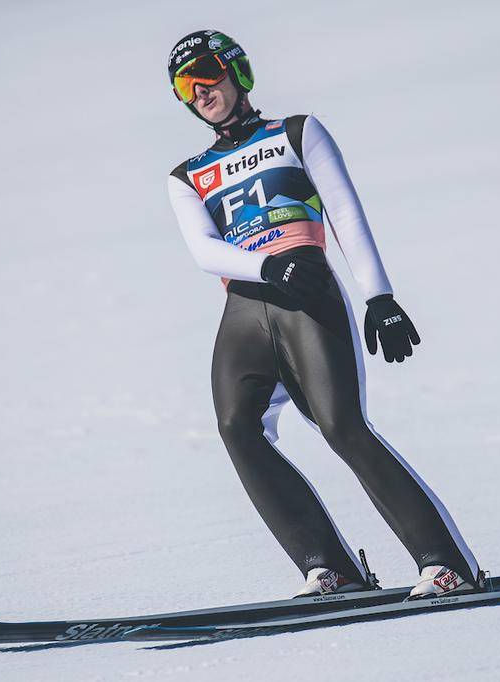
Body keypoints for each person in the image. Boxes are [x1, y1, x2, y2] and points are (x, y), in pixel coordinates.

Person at [166, 30, 480, 599]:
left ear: (238, 72)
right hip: (246, 306)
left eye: (207, 72)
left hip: (307, 292)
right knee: (238, 429)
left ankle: (445, 563)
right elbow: (203, 250)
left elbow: (344, 211)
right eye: (185, 85)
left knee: (342, 427)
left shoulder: (295, 132)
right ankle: (328, 568)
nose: (199, 90)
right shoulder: (187, 175)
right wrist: (266, 268)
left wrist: (379, 297)